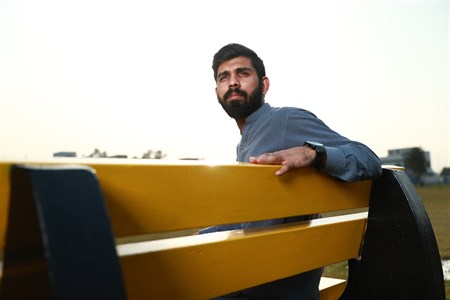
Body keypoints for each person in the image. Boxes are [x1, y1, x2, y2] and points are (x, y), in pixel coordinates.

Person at [201, 43, 382, 300]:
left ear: (264, 85)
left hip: (273, 285)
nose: (232, 82)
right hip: (260, 273)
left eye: (242, 74)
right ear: (217, 91)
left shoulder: (283, 120)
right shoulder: (245, 142)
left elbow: (369, 159)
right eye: (224, 77)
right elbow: (255, 223)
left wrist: (313, 153)